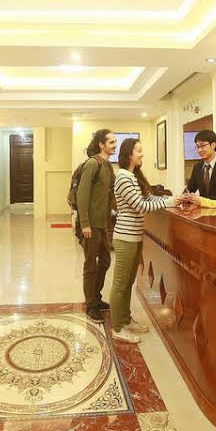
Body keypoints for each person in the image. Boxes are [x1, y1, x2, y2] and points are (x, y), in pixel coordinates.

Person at [110, 138, 175, 343]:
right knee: (120, 284)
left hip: (135, 237)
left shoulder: (132, 176)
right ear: (129, 154)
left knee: (128, 282)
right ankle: (117, 327)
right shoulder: (123, 177)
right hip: (125, 238)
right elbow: (141, 206)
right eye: (139, 151)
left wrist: (173, 200)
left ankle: (125, 319)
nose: (142, 154)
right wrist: (170, 201)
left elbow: (148, 198)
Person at [77, 129, 117, 323]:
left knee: (106, 261)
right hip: (91, 225)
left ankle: (96, 297)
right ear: (101, 144)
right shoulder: (93, 164)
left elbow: (112, 192)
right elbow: (82, 194)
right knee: (91, 265)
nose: (115, 145)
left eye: (115, 142)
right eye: (111, 142)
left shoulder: (108, 166)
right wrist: (84, 223)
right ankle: (91, 304)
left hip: (103, 224)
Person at [186, 130, 216, 200]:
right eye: (197, 147)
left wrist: (201, 201)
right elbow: (190, 189)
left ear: (213, 145)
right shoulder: (197, 167)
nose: (199, 150)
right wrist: (183, 197)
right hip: (201, 206)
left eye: (202, 146)